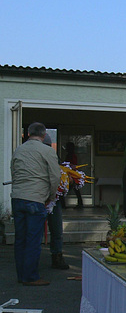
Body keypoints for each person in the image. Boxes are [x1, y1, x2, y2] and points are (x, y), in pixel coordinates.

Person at [11, 122, 61, 286]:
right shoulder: (47, 151)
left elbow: (14, 171)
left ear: (28, 134)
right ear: (44, 134)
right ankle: (31, 276)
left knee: (21, 239)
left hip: (18, 197)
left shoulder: (19, 149)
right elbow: (55, 177)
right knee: (33, 239)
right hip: (36, 197)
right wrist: (51, 196)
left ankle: (21, 274)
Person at [43, 134, 69, 270]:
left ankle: (57, 255)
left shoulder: (53, 157)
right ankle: (56, 256)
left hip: (52, 199)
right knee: (56, 230)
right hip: (44, 197)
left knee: (56, 230)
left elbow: (59, 174)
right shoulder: (40, 156)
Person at [64, 142, 83, 208]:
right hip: (72, 174)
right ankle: (80, 203)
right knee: (75, 189)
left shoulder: (71, 155)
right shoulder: (72, 155)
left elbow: (73, 165)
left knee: (66, 189)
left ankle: (63, 204)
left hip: (71, 174)